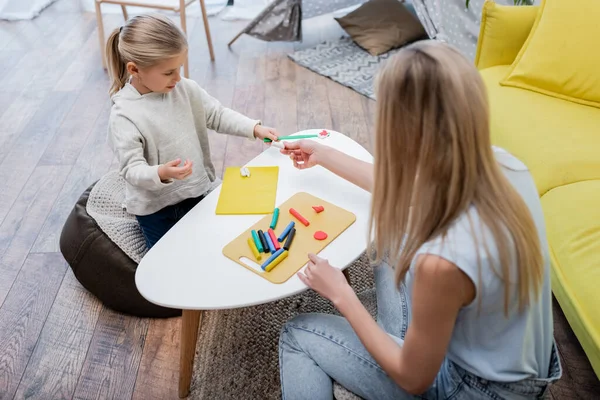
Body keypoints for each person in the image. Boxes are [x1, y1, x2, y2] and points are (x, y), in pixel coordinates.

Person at [278, 40, 561, 400]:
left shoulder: (440, 263)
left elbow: (414, 379)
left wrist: (341, 294)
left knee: (297, 334)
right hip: (517, 360)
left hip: (470, 388)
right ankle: (391, 338)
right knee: (389, 239)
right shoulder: (506, 166)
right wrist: (325, 154)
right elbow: (407, 189)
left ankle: (387, 343)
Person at [105, 14, 279, 249]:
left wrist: (254, 128)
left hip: (197, 192)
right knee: (171, 261)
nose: (178, 77)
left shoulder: (184, 89)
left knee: (223, 245)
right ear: (135, 69)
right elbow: (131, 169)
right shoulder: (124, 115)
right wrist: (162, 173)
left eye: (179, 68)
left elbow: (217, 115)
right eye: (168, 72)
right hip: (156, 209)